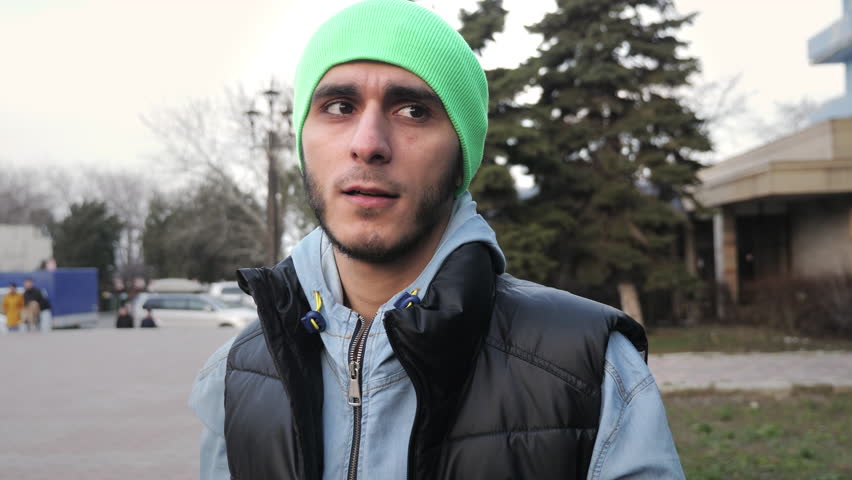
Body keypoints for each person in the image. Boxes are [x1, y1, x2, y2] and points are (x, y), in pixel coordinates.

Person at [189, 1, 684, 478]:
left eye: (412, 112)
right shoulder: (236, 375)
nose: (367, 143)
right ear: (303, 140)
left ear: (461, 157)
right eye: (339, 106)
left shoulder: (592, 370)